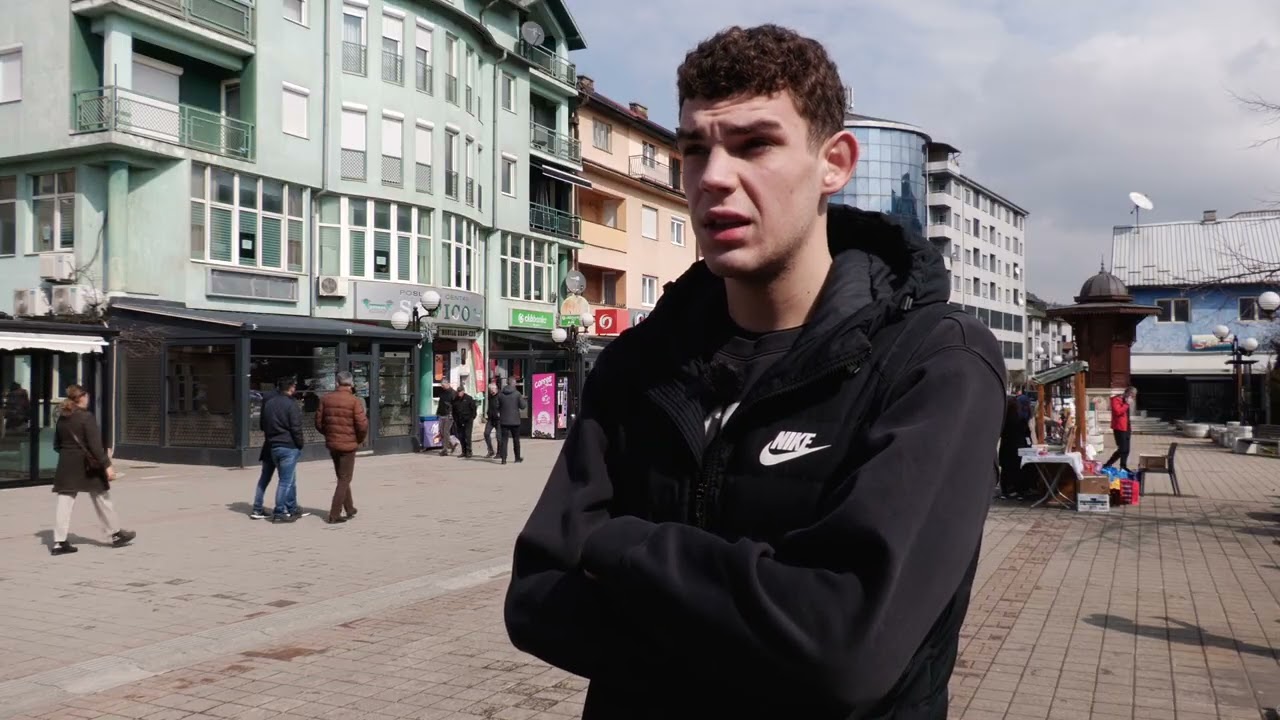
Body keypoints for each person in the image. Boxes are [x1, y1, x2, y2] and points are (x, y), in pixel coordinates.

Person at [503, 24, 1005, 720]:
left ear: (834, 163)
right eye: (695, 149)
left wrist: (621, 547)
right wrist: (761, 639)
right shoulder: (641, 365)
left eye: (754, 145)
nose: (713, 177)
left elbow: (844, 649)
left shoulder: (935, 364)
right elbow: (535, 600)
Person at [50, 384, 136, 555]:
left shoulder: (63, 417)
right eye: (87, 396)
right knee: (102, 497)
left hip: (67, 464)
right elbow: (96, 447)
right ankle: (115, 533)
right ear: (81, 397)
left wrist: (69, 454)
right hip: (87, 465)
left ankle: (59, 543)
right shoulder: (86, 417)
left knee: (64, 502)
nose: (88, 399)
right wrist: (107, 466)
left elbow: (57, 445)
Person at [251, 377, 308, 523]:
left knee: (280, 479)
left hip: (272, 445)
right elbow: (296, 427)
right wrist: (300, 444)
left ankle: (288, 508)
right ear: (291, 388)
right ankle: (280, 511)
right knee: (286, 481)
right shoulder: (291, 404)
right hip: (288, 446)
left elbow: (263, 424)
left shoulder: (269, 403)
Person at [315, 371, 368, 524]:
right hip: (348, 445)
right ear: (351, 384)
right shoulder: (354, 401)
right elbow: (362, 425)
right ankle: (334, 514)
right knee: (345, 478)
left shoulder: (326, 399)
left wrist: (329, 433)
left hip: (333, 443)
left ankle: (349, 508)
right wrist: (358, 439)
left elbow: (318, 422)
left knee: (342, 477)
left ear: (337, 383)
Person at [999, 396, 1034, 500]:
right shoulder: (1019, 418)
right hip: (1017, 447)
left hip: (1006, 447)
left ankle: (1006, 491)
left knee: (1006, 469)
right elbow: (1026, 432)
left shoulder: (1004, 418)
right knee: (1017, 469)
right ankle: (1018, 490)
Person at [1103, 386, 1136, 472]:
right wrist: (1126, 404)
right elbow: (1118, 411)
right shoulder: (1116, 399)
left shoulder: (1126, 400)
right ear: (1128, 393)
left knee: (1126, 449)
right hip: (1119, 427)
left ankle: (1123, 466)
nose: (1133, 398)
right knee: (1122, 449)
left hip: (1127, 427)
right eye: (1132, 396)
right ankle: (1109, 464)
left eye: (1134, 396)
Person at [495, 377, 526, 465]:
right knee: (516, 440)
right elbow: (523, 406)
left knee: (504, 440)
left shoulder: (500, 394)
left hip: (504, 420)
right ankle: (517, 458)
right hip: (515, 421)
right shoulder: (517, 394)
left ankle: (503, 459)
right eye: (515, 383)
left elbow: (497, 406)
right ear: (513, 383)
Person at [452, 387, 478, 458]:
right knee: (461, 436)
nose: (459, 393)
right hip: (459, 420)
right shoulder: (455, 399)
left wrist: (472, 417)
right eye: (458, 392)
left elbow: (474, 408)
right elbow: (453, 410)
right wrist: (455, 419)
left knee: (467, 436)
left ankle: (469, 451)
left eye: (460, 391)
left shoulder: (469, 398)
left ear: (463, 391)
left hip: (468, 420)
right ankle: (463, 451)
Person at [435, 381, 458, 456]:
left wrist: (452, 413)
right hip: (442, 414)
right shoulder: (442, 392)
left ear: (448, 384)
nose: (442, 386)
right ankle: (452, 445)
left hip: (449, 415)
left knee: (446, 432)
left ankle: (445, 449)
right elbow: (440, 403)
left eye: (443, 385)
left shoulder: (453, 393)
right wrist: (438, 412)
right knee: (441, 432)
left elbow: (455, 405)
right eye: (442, 385)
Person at [483, 381, 501, 458]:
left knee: (499, 437)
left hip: (499, 420)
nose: (492, 391)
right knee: (486, 433)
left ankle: (499, 453)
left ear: (496, 389)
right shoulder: (490, 396)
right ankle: (490, 450)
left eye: (493, 389)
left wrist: (500, 412)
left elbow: (504, 406)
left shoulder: (500, 396)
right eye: (490, 390)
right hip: (491, 419)